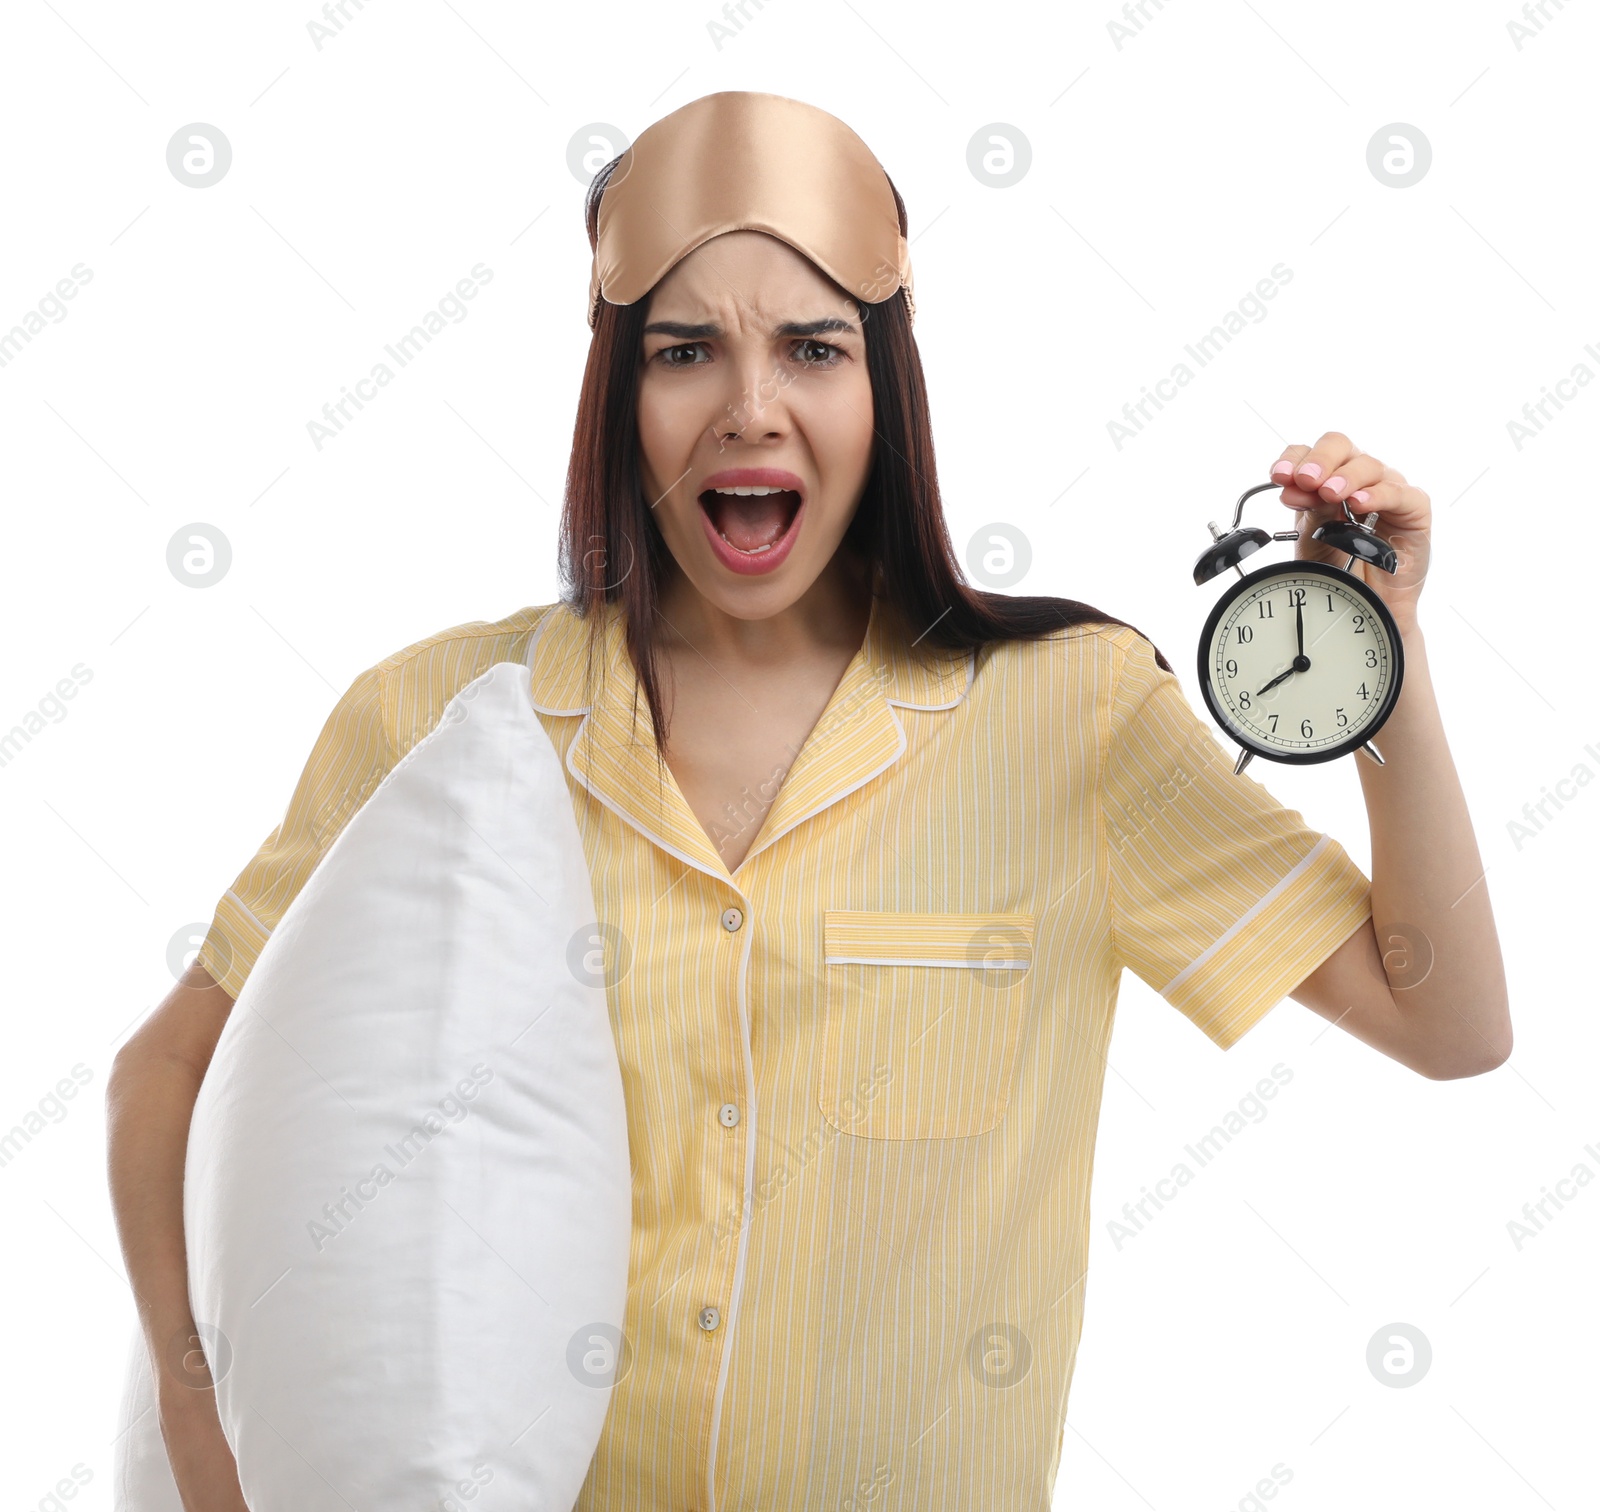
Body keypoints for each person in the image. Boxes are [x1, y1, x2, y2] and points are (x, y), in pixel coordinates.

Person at [106, 90, 1510, 1511]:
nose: (750, 409)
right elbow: (165, 1076)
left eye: (813, 349)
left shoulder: (1073, 720)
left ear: (882, 390)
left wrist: (1381, 660)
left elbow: (1446, 1020)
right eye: (685, 352)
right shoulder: (443, 725)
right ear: (619, 392)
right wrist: (195, 1418)